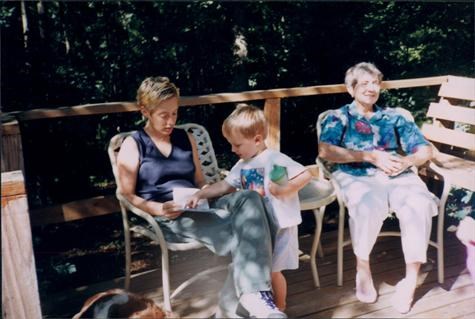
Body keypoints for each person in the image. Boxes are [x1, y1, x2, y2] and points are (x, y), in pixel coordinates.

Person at [116, 76, 287, 318]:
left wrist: (205, 195)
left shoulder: (185, 138)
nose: (171, 121)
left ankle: (245, 301)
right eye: (164, 115)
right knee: (253, 231)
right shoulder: (134, 144)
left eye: (175, 113)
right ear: (145, 110)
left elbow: (199, 181)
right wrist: (158, 209)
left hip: (198, 203)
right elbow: (126, 194)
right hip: (170, 215)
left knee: (250, 198)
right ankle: (239, 306)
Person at [318, 62, 438, 314]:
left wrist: (407, 160)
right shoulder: (339, 117)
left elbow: (425, 149)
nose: (371, 89)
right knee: (367, 204)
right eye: (364, 83)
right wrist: (370, 156)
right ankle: (363, 267)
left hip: (397, 174)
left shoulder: (393, 116)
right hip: (356, 174)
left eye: (375, 83)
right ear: (351, 89)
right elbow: (326, 150)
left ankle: (411, 279)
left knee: (418, 204)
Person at [188, 104, 312, 311]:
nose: (232, 149)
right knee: (260, 268)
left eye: (237, 145)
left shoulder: (273, 159)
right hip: (259, 229)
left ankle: (279, 308)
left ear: (257, 139)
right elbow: (225, 186)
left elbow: (305, 175)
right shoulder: (242, 165)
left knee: (273, 271)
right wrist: (201, 193)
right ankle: (263, 305)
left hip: (280, 226)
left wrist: (285, 189)